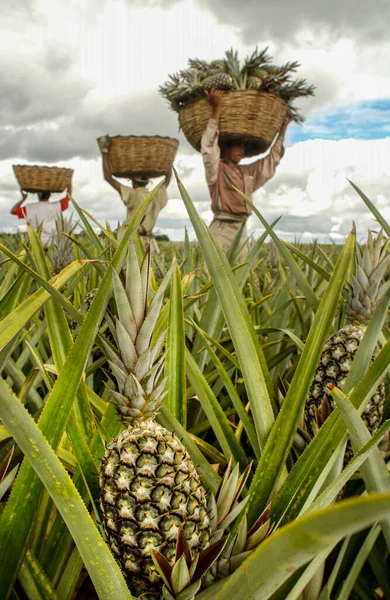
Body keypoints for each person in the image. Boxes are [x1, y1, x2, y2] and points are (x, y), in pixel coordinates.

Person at [201, 88, 293, 255]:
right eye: (238, 145)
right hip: (221, 228)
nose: (242, 150)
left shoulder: (247, 173)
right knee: (211, 275)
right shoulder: (216, 169)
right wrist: (216, 110)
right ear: (226, 148)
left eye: (244, 147)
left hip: (241, 229)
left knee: (242, 275)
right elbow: (208, 147)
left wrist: (283, 129)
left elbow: (272, 160)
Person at [99, 136, 171, 239]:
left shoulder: (133, 194)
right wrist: (168, 160)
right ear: (146, 183)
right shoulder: (156, 197)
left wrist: (104, 152)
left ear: (133, 182)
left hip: (132, 242)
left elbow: (108, 178)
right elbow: (167, 180)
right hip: (149, 243)